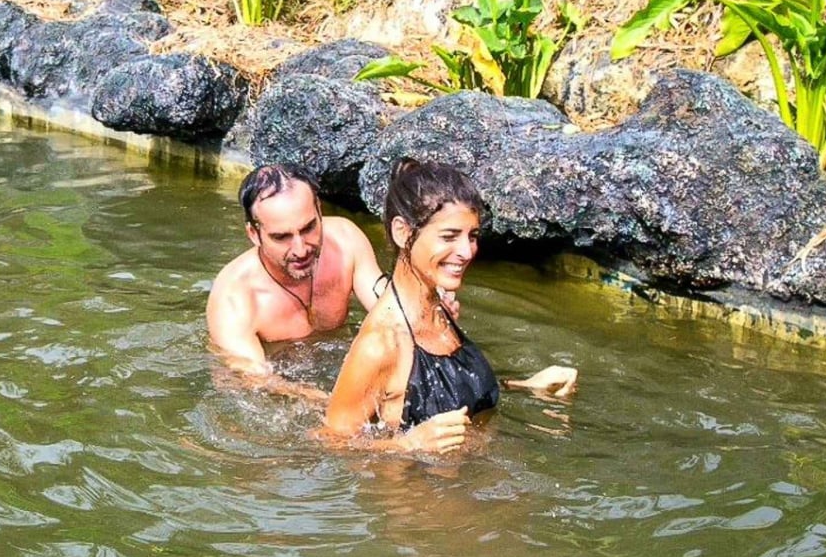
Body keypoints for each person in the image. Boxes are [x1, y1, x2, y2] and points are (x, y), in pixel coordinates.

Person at [322, 158, 578, 453]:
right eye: (449, 236)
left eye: (473, 236)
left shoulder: (437, 308)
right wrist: (407, 445)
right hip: (417, 496)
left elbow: (452, 392)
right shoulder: (382, 342)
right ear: (403, 232)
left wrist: (526, 387)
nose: (467, 251)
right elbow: (329, 441)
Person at [207, 164, 456, 398]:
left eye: (308, 228)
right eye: (281, 237)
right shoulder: (234, 298)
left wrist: (427, 309)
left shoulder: (345, 240)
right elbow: (257, 382)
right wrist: (340, 404)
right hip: (287, 392)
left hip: (341, 363)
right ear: (254, 234)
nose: (301, 249)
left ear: (318, 209)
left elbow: (386, 303)